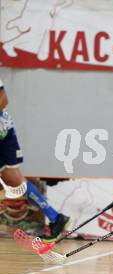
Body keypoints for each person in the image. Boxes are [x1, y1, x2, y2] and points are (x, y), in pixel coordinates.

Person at [0, 76, 71, 242]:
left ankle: (56, 218)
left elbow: (3, 99)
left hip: (3, 131)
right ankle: (56, 218)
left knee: (15, 180)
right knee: (14, 181)